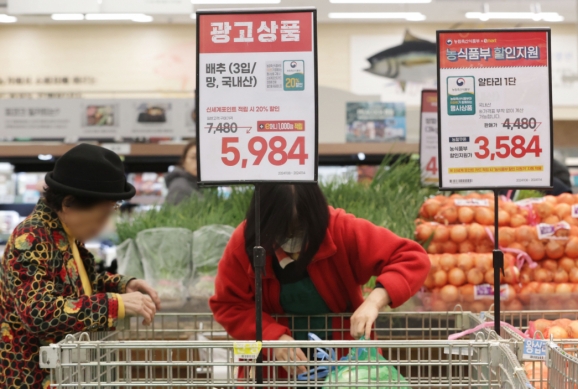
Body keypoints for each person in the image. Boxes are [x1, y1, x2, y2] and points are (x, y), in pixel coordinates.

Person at [210, 183, 429, 376]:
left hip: (347, 365)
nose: (292, 239)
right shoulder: (246, 241)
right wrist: (273, 339)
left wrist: (374, 301)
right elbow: (229, 304)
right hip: (275, 369)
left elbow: (411, 258)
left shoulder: (340, 229)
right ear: (265, 223)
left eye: (301, 229)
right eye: (282, 230)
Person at [0, 144, 161, 389]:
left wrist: (122, 285)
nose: (106, 222)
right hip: (32, 376)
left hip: (64, 373)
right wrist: (113, 304)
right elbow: (39, 313)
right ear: (69, 203)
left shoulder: (65, 234)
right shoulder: (32, 237)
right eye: (103, 212)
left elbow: (76, 286)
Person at [165, 140, 200, 205]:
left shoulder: (203, 186)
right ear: (184, 161)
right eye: (193, 157)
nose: (198, 162)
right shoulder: (179, 187)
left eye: (203, 158)